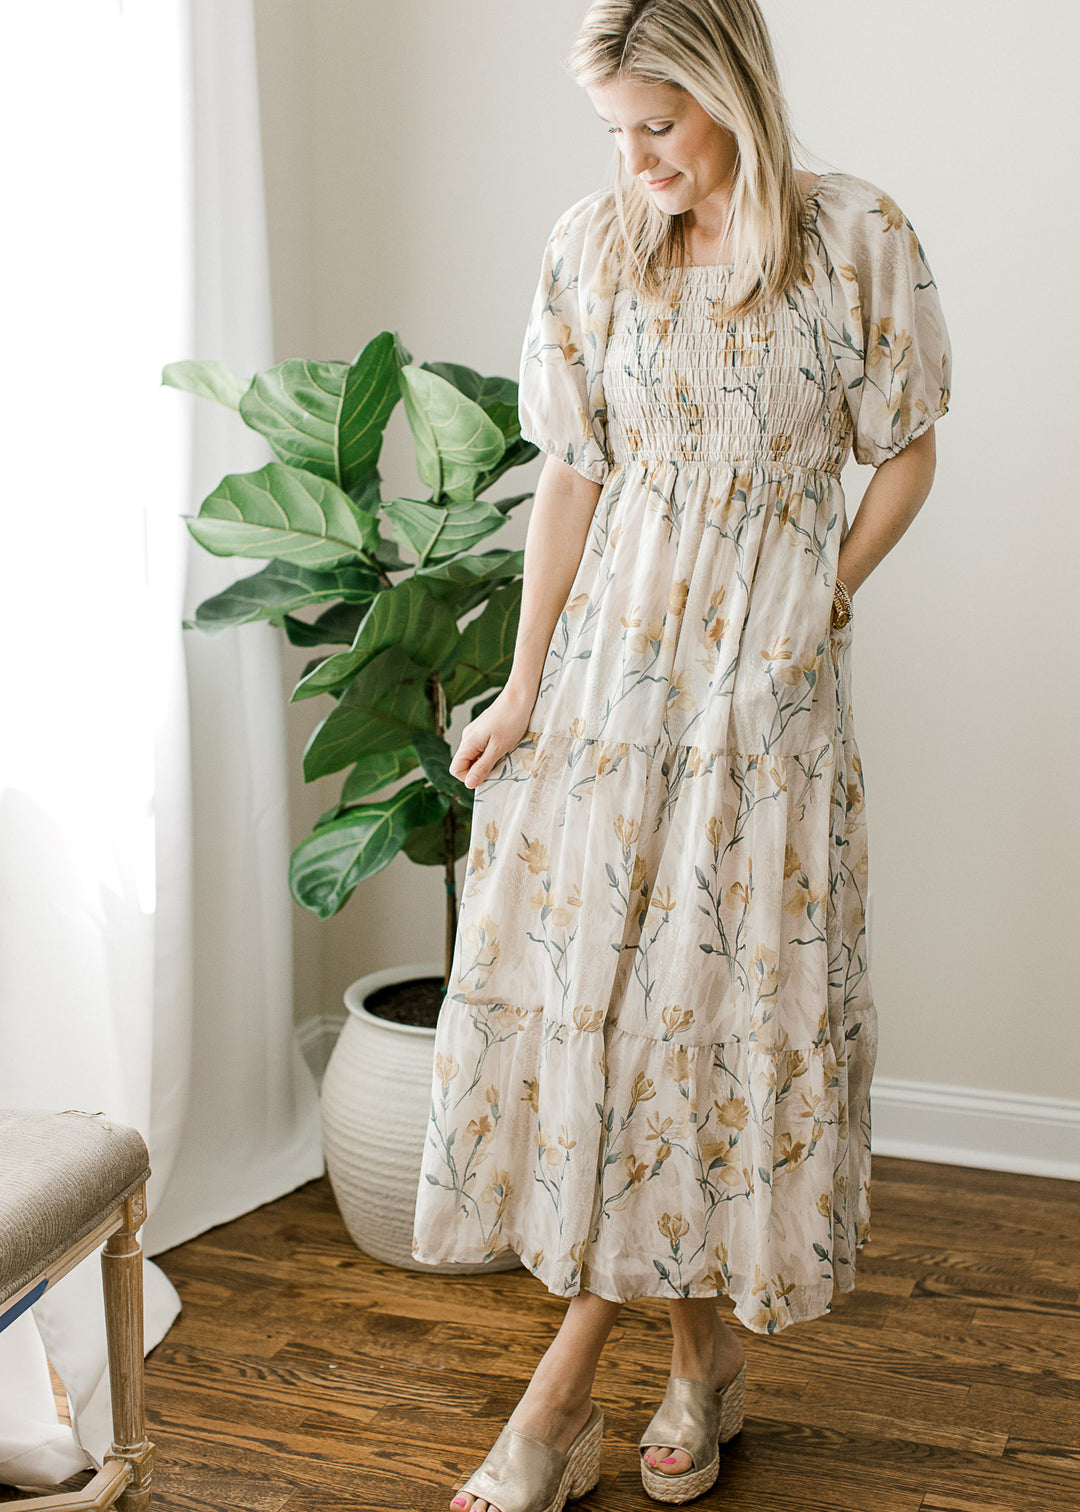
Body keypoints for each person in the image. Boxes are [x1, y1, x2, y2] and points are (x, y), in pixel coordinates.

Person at [411, 0, 952, 1506]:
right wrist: (522, 690)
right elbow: (574, 480)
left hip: (761, 701)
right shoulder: (595, 247)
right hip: (611, 682)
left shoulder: (853, 238)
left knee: (706, 1022)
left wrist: (822, 596)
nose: (636, 157)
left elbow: (905, 445)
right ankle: (692, 1363)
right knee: (624, 1025)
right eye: (613, 130)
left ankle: (554, 1410)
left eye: (660, 123)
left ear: (732, 93)